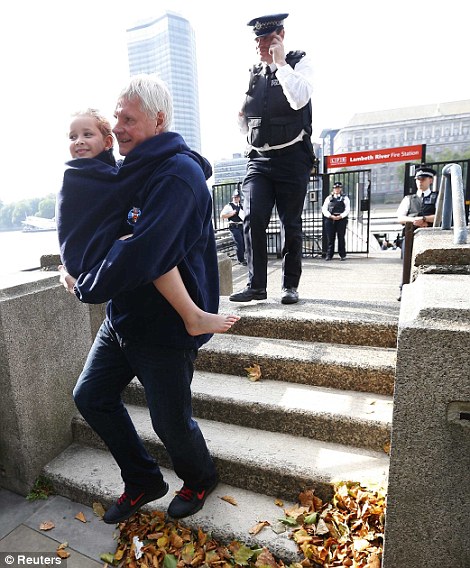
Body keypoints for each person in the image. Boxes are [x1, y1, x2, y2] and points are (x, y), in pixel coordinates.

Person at [58, 75, 221, 524]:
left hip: (167, 328)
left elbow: (142, 251)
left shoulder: (178, 176)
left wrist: (85, 285)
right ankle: (143, 479)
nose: (119, 126)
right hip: (124, 319)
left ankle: (200, 477)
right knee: (90, 397)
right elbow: (99, 227)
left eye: (128, 119)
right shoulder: (129, 167)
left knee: (170, 422)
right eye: (116, 117)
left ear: (159, 120)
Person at [58, 108, 239, 337]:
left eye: (128, 119)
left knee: (148, 242)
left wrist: (191, 162)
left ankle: (192, 316)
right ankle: (192, 315)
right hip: (92, 265)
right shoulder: (82, 174)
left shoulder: (129, 171)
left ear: (106, 142)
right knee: (140, 242)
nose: (79, 142)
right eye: (73, 137)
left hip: (145, 326)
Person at [229, 13, 315, 305]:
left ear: (281, 34)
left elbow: (299, 99)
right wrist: (241, 120)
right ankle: (256, 286)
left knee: (290, 223)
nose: (261, 45)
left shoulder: (299, 63)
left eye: (267, 38)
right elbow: (246, 122)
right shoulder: (252, 73)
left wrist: (280, 64)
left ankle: (290, 285)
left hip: (292, 158)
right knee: (252, 218)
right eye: (258, 40)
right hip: (259, 160)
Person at [396, 165, 437, 299]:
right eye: (418, 179)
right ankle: (405, 289)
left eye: (423, 179)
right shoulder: (409, 198)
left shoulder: (437, 198)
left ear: (430, 180)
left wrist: (425, 219)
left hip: (430, 236)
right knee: (407, 265)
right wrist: (415, 220)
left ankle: (425, 292)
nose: (420, 181)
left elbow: (441, 216)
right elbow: (400, 217)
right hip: (410, 235)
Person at [321, 181, 350, 261]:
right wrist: (330, 216)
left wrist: (340, 216)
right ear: (333, 189)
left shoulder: (345, 198)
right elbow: (324, 209)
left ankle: (342, 255)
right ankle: (329, 255)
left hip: (341, 219)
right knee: (330, 238)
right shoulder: (329, 198)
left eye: (338, 188)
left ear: (341, 189)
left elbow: (347, 210)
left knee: (341, 238)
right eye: (335, 188)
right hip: (330, 219)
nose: (337, 190)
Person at [220, 191, 246, 265]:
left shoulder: (241, 206)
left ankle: (242, 257)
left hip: (241, 226)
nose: (236, 198)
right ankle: (240, 260)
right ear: (232, 197)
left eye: (237, 197)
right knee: (239, 243)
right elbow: (222, 215)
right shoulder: (229, 206)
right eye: (234, 197)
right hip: (234, 227)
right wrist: (232, 213)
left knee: (243, 243)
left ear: (239, 198)